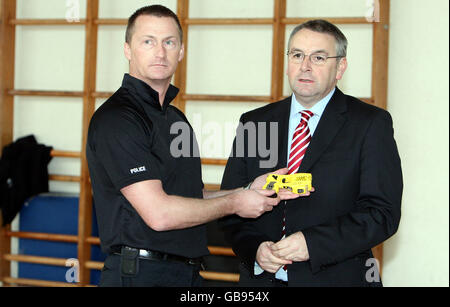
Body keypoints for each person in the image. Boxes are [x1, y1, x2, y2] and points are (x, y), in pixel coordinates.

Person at [86, 5, 301, 287]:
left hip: (187, 273)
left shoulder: (176, 119)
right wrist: (236, 202)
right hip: (140, 274)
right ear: (128, 49)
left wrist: (247, 190)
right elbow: (160, 214)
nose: (160, 52)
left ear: (182, 51)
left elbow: (192, 197)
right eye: (148, 41)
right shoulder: (118, 118)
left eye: (169, 42)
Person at [220, 19, 403, 287]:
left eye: (318, 57)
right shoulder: (255, 123)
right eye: (297, 55)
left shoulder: (369, 124)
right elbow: (230, 205)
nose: (305, 66)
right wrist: (256, 250)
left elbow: (381, 213)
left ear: (340, 67)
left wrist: (312, 244)